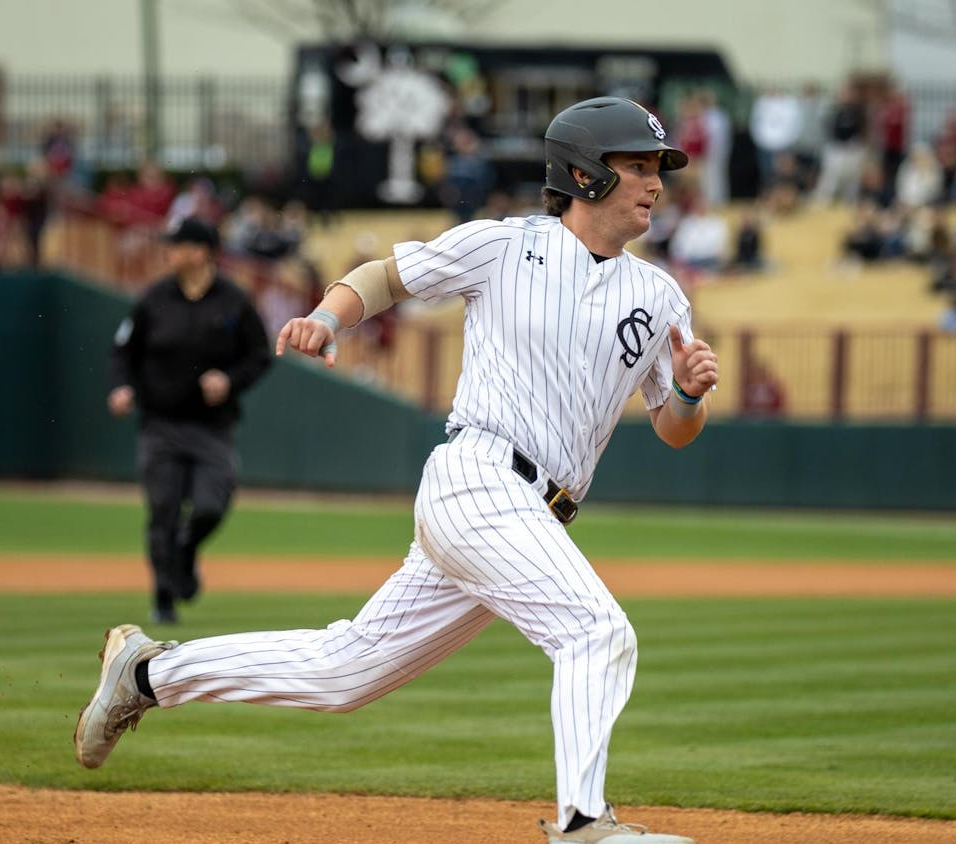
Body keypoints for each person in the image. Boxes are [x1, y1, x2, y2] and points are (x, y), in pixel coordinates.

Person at [76, 96, 716, 844]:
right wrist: (327, 316)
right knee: (595, 632)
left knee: (343, 673)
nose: (655, 184)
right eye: (636, 166)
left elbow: (675, 430)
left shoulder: (659, 294)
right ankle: (581, 822)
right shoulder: (505, 245)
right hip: (479, 477)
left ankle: (148, 674)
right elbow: (384, 277)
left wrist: (690, 394)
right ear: (583, 173)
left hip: (530, 514)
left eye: (657, 169)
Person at [107, 217, 272, 624]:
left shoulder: (233, 301)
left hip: (211, 427)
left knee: (210, 506)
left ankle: (186, 549)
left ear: (201, 252)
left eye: (178, 245)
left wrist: (229, 381)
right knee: (162, 510)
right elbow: (123, 351)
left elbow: (259, 355)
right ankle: (163, 598)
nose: (170, 251)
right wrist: (122, 387)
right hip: (160, 423)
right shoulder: (154, 299)